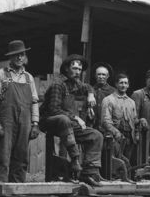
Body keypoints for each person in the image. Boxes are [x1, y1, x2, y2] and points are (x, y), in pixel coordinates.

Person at [40, 54, 105, 185]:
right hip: (50, 121)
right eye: (74, 68)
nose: (77, 72)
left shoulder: (75, 83)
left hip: (67, 124)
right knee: (64, 119)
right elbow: (54, 110)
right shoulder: (58, 85)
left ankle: (89, 172)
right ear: (66, 69)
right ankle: (75, 160)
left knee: (96, 135)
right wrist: (75, 118)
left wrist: (91, 94)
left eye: (79, 70)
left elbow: (87, 87)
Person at [0, 39, 40, 183]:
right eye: (16, 55)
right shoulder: (0, 75)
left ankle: (17, 190)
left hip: (25, 122)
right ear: (10, 57)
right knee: (3, 157)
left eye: (21, 54)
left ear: (25, 56)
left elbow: (34, 102)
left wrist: (35, 123)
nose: (19, 58)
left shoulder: (29, 78)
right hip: (6, 121)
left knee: (21, 157)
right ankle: (1, 189)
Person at [101, 72, 139, 178]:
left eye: (125, 83)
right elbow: (105, 121)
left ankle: (126, 184)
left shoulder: (131, 102)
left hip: (129, 138)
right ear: (116, 84)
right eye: (121, 83)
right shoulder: (108, 100)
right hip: (115, 138)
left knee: (126, 164)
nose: (123, 85)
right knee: (116, 163)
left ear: (128, 85)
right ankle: (112, 183)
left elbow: (134, 120)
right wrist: (116, 133)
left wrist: (140, 122)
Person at [89, 62, 115, 127]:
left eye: (103, 74)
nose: (101, 77)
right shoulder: (90, 90)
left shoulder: (113, 91)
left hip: (108, 126)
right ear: (95, 75)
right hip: (93, 125)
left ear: (108, 76)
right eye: (99, 74)